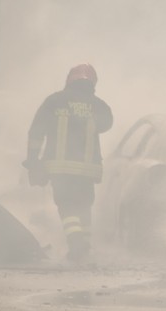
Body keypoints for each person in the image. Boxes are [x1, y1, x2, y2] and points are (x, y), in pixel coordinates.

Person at [25, 64, 113, 264]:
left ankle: (76, 244)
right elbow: (107, 124)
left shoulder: (54, 101)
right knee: (84, 205)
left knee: (67, 206)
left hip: (60, 168)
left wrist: (32, 160)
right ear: (93, 82)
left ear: (69, 80)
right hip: (88, 170)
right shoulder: (98, 105)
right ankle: (86, 247)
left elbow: (36, 132)